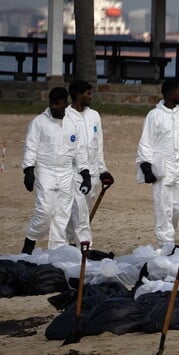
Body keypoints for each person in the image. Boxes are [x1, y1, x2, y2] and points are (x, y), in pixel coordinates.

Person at [20, 86, 90, 254]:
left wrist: (85, 173)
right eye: (51, 104)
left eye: (57, 104)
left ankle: (56, 252)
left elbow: (80, 150)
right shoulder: (39, 122)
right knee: (44, 210)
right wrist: (28, 171)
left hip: (66, 173)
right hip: (46, 171)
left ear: (66, 103)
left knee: (62, 215)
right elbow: (30, 147)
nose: (53, 107)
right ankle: (30, 241)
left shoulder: (74, 123)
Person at [136, 78, 179, 255]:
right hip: (161, 167)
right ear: (169, 94)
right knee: (163, 206)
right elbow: (146, 142)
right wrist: (146, 167)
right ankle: (166, 243)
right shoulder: (154, 116)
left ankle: (168, 232)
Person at [65, 79, 114, 249]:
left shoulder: (94, 116)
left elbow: (98, 145)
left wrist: (103, 170)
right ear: (78, 95)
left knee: (79, 213)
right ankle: (87, 250)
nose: (91, 97)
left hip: (93, 174)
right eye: (88, 94)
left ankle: (70, 243)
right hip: (74, 174)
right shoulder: (66, 116)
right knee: (81, 214)